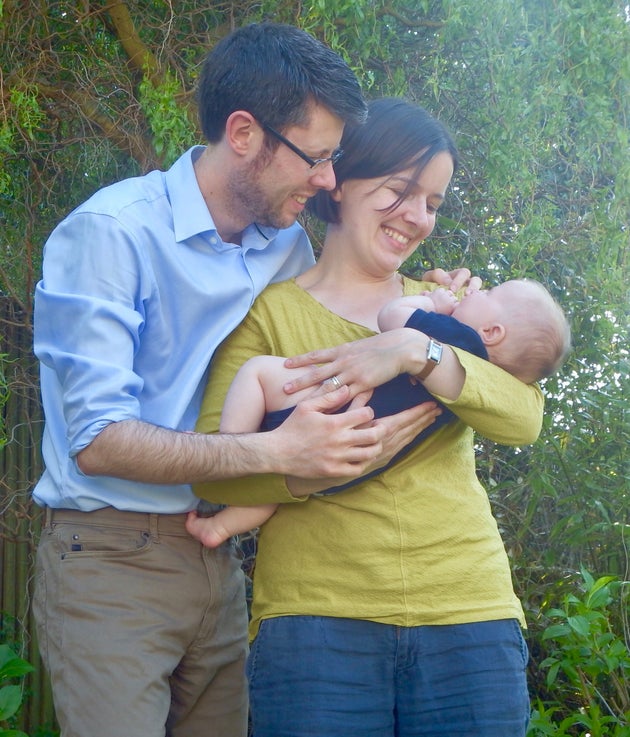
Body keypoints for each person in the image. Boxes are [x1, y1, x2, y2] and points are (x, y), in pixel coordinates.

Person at [31, 25, 470, 737]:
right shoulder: (112, 235)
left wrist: (442, 306)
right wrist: (277, 455)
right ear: (243, 133)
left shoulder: (286, 251)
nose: (328, 180)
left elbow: (350, 308)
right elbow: (98, 438)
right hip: (110, 556)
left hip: (223, 562)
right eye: (317, 157)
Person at [193, 97, 548, 737]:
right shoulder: (266, 315)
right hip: (316, 621)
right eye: (400, 191)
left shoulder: (447, 312)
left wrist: (417, 349)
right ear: (341, 182)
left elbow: (524, 418)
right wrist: (304, 461)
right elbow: (213, 471)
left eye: (434, 203)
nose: (417, 218)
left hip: (468, 611)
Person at [187, 279, 570, 548]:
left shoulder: (454, 335)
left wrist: (432, 304)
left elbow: (393, 315)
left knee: (256, 371)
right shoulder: (473, 381)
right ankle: (222, 526)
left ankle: (237, 449)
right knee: (277, 488)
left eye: (489, 292)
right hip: (354, 462)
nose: (478, 289)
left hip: (320, 412)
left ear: (491, 332)